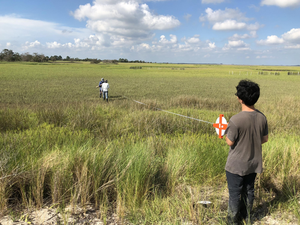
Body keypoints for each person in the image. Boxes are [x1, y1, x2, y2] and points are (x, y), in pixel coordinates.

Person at [224, 80, 268, 225]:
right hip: (253, 164)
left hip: (235, 166)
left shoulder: (235, 120)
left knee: (235, 194)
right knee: (249, 191)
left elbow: (230, 142)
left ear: (240, 98)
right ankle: (247, 217)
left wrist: (225, 131)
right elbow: (264, 139)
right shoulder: (262, 117)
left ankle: (232, 220)